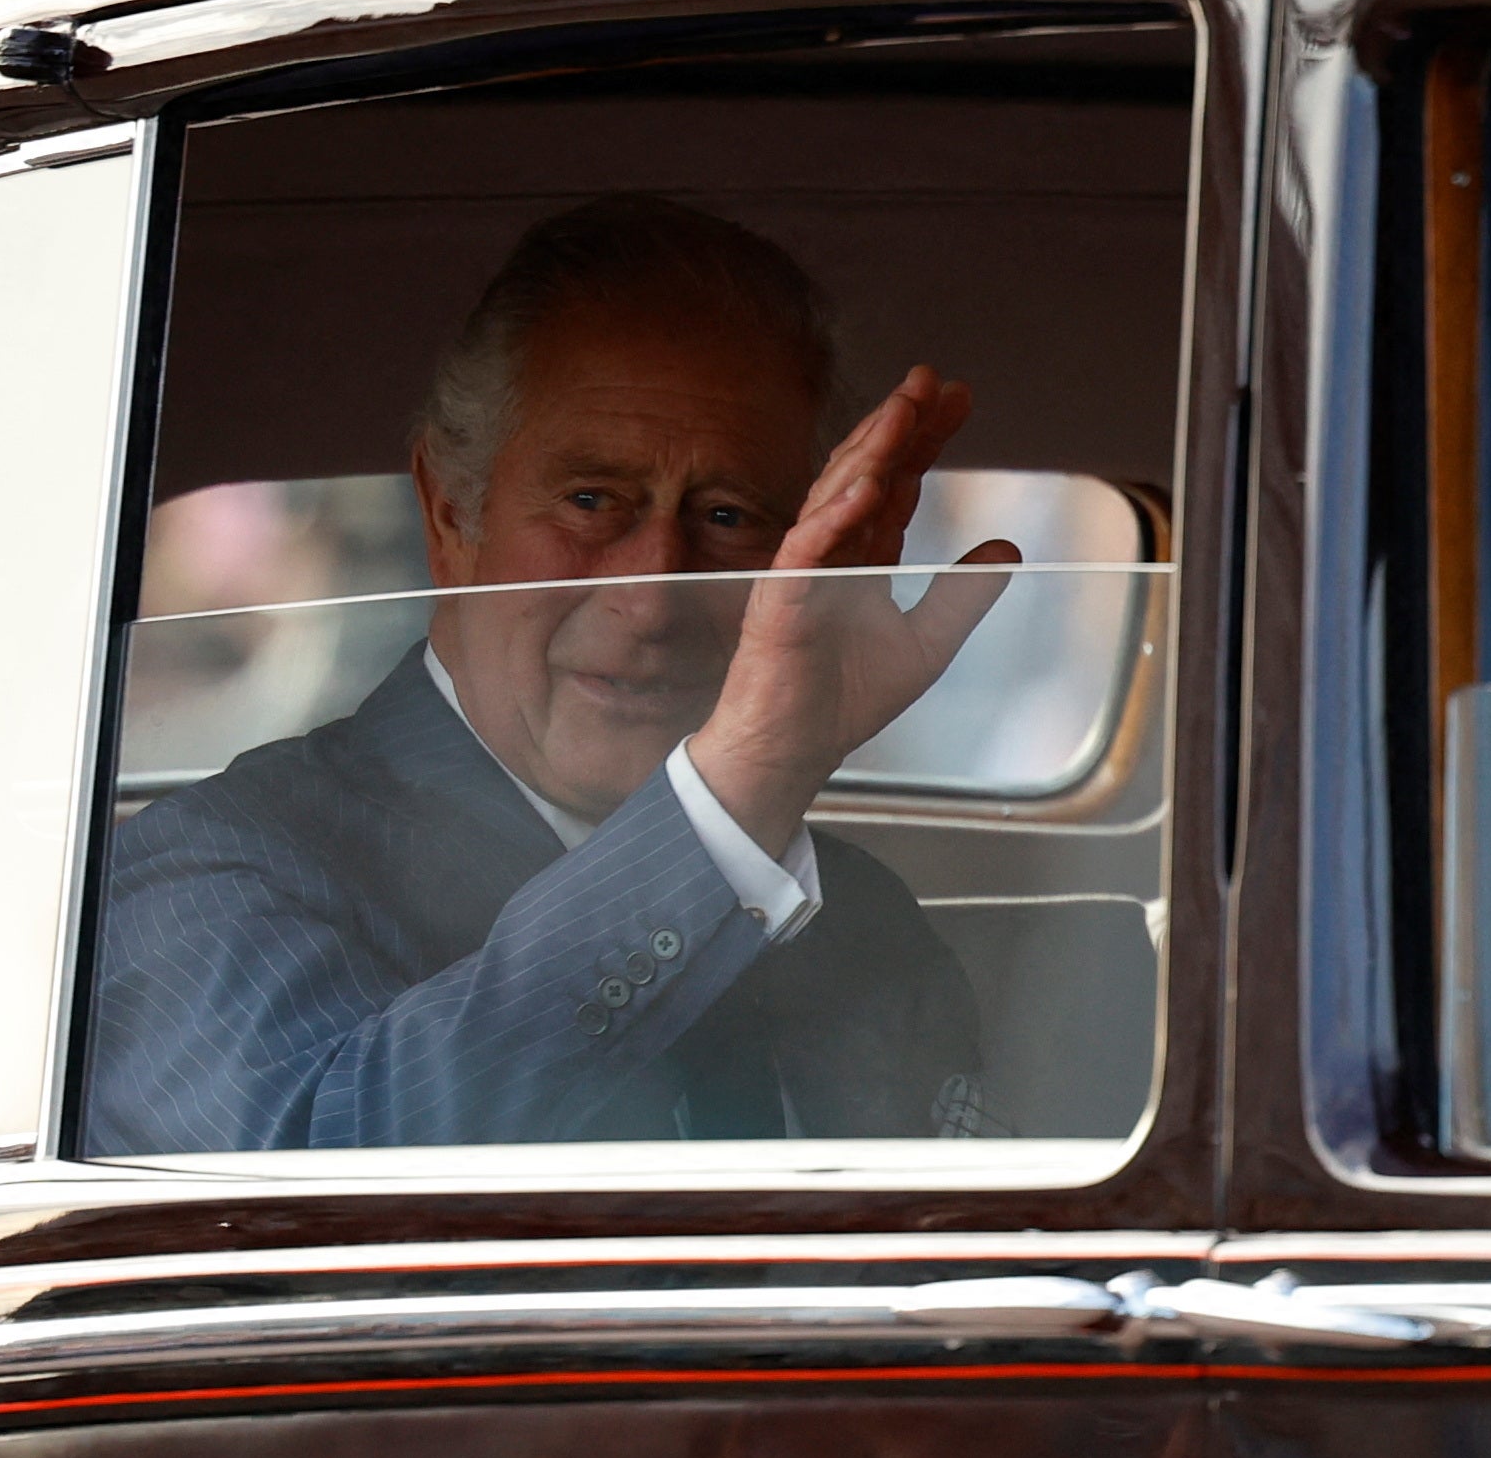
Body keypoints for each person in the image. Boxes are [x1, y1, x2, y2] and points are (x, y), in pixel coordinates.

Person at [86, 196, 1001, 1150]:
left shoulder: (857, 921)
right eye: (591, 501)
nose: (651, 602)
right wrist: (731, 805)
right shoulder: (209, 873)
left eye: (728, 518)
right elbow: (319, 1194)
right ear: (451, 517)